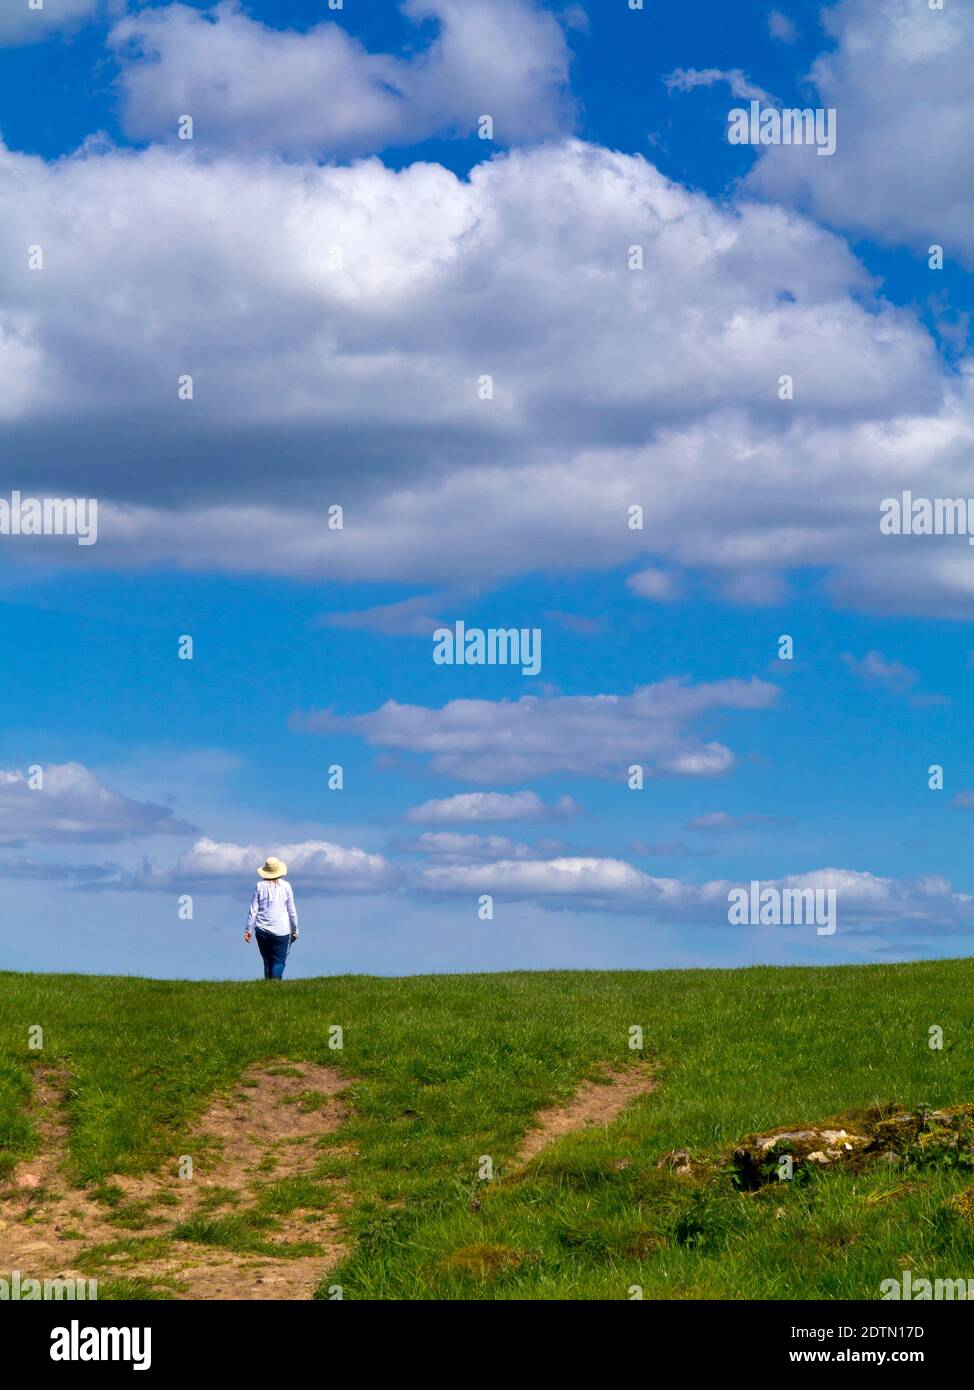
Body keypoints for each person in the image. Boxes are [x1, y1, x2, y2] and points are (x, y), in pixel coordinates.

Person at [244, 856, 299, 980]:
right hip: (282, 930)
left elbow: (253, 910)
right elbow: (292, 911)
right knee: (278, 961)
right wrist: (295, 929)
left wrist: (248, 929)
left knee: (267, 960)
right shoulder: (286, 886)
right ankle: (275, 985)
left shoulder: (259, 886)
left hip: (262, 929)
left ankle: (268, 988)